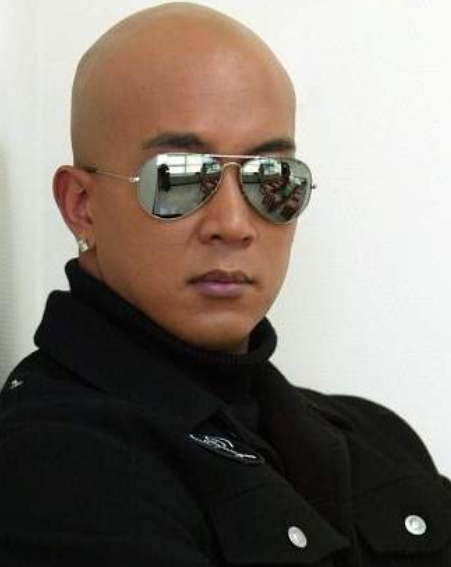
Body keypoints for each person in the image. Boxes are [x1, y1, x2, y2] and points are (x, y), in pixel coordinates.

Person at [0, 3, 450, 566]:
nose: (234, 224)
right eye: (179, 177)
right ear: (81, 205)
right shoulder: (54, 461)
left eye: (272, 178)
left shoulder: (375, 438)